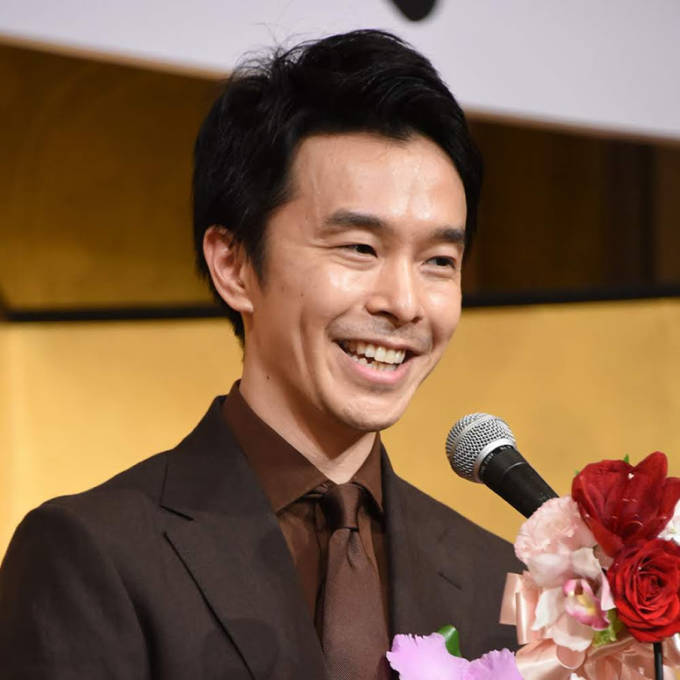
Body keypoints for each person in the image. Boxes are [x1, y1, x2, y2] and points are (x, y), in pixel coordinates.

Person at [0, 29, 520, 679]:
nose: (406, 304)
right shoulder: (92, 555)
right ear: (235, 264)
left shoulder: (500, 579)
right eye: (360, 248)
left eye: (439, 260)